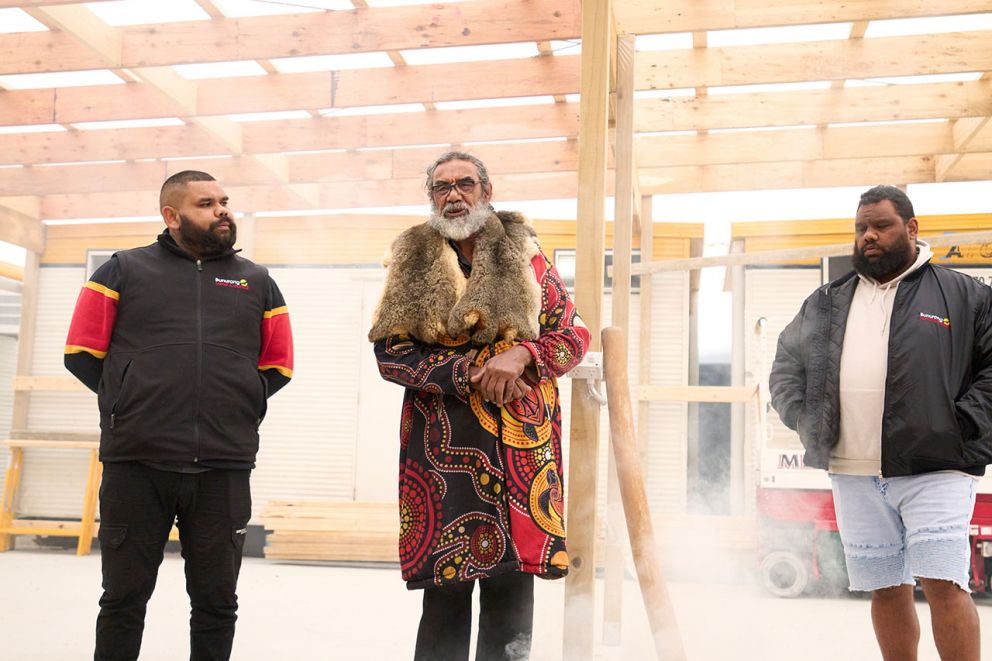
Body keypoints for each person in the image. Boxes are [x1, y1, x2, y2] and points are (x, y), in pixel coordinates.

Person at [64, 170, 294, 661]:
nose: (222, 211)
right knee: (123, 600)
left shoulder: (256, 280)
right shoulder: (122, 270)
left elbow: (278, 365)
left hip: (223, 468)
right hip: (137, 464)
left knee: (217, 604)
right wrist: (128, 402)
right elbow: (81, 353)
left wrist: (238, 406)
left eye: (225, 201)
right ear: (172, 216)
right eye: (206, 203)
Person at [369, 152, 590, 660]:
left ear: (486, 192)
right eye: (441, 187)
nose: (453, 195)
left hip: (520, 451)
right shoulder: (412, 260)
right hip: (444, 454)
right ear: (431, 198)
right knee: (445, 596)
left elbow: (573, 334)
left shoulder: (525, 254)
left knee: (512, 591)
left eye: (464, 184)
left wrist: (523, 353)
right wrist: (469, 373)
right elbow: (391, 355)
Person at [769, 184, 991, 660]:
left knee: (944, 583)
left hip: (936, 467)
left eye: (881, 225)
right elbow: (787, 364)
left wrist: (961, 425)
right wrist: (807, 421)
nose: (868, 236)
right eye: (861, 228)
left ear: (911, 228)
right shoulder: (828, 301)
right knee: (885, 587)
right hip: (853, 469)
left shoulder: (964, 295)